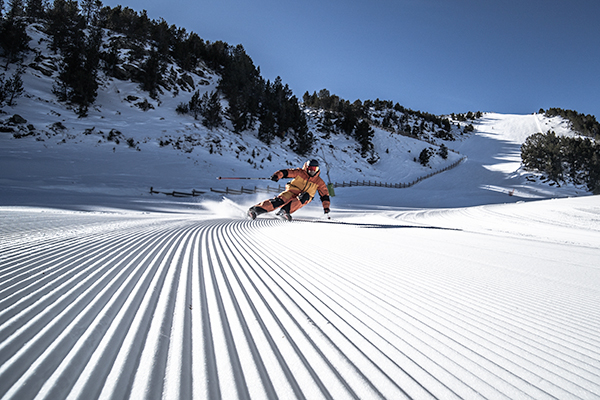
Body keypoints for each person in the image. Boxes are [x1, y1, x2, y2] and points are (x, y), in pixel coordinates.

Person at [248, 159, 330, 221]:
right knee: (279, 201)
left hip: (304, 198)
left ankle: (284, 211)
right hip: (291, 192)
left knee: (305, 196)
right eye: (310, 168)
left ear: (317, 170)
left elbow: (325, 195)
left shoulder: (319, 182)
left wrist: (326, 207)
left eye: (314, 169)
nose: (312, 171)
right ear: (307, 168)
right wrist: (277, 175)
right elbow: (287, 172)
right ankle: (255, 210)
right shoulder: (300, 172)